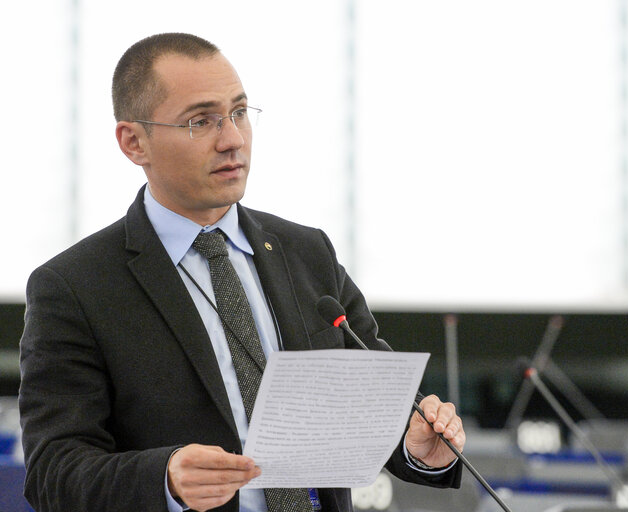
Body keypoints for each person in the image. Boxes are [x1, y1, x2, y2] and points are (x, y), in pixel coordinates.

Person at [19, 33, 465, 512]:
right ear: (134, 142)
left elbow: (380, 412)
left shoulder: (306, 252)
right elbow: (53, 473)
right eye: (201, 121)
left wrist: (419, 448)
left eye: (238, 112)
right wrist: (163, 479)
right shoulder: (75, 287)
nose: (232, 138)